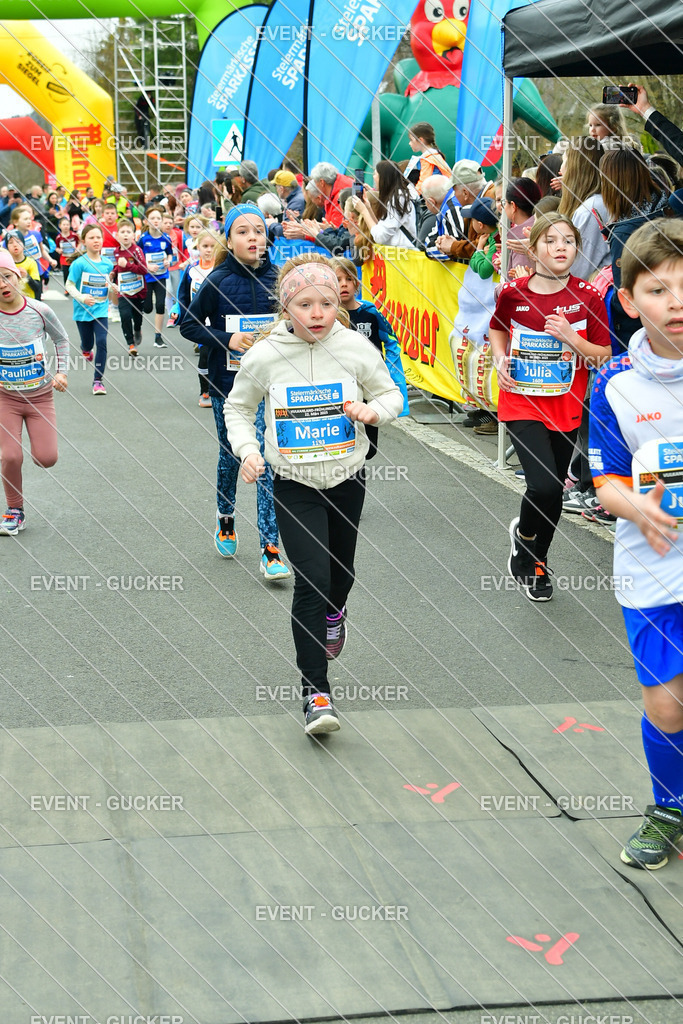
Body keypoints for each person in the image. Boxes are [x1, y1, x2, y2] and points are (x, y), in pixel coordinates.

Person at [224, 254, 404, 735]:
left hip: (346, 478)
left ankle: (335, 612)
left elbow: (391, 394)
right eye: (305, 304)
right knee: (312, 579)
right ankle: (316, 694)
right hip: (293, 482)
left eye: (326, 302)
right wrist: (247, 451)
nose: (318, 312)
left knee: (340, 576)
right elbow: (237, 408)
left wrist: (373, 412)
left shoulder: (353, 346)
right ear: (286, 307)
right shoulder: (265, 354)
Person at [588, 219, 683, 869]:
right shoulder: (615, 383)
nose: (675, 303)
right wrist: (640, 510)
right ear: (627, 301)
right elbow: (607, 484)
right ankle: (668, 808)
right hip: (652, 569)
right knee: (666, 703)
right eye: (658, 290)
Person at [489, 212, 611, 601]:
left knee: (553, 492)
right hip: (521, 400)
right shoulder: (513, 293)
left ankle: (535, 556)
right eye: (551, 240)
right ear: (533, 248)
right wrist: (499, 359)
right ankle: (527, 543)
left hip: (566, 403)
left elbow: (604, 355)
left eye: (569, 241)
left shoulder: (588, 296)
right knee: (541, 484)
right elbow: (497, 328)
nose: (561, 247)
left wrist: (571, 338)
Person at [179, 204, 290, 581]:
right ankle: (225, 517)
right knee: (231, 455)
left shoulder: (280, 278)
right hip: (227, 386)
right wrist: (227, 339)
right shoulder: (217, 280)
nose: (253, 237)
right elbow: (189, 326)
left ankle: (270, 548)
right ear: (228, 240)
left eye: (258, 230)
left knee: (266, 460)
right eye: (243, 232)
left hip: (270, 387)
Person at [0, 249, 68, 536]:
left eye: (6, 276)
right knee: (11, 456)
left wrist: (62, 372)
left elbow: (61, 338)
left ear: (19, 275)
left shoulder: (40, 310)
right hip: (5, 398)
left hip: (40, 397)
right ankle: (14, 510)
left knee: (46, 458)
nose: (2, 284)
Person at [331, 255, 409, 457]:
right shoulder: (328, 317)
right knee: (344, 442)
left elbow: (391, 342)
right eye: (338, 280)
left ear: (357, 284)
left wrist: (392, 375)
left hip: (368, 385)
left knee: (369, 448)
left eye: (349, 279)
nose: (344, 284)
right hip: (341, 385)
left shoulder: (371, 314)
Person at [66, 223, 113, 395]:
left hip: (101, 310)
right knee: (88, 343)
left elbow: (105, 284)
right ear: (83, 241)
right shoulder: (79, 264)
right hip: (83, 312)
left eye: (98, 237)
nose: (96, 240)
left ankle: (98, 381)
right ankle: (86, 349)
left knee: (101, 341)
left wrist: (113, 287)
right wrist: (82, 298)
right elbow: (69, 285)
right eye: (91, 237)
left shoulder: (107, 264)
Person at [174, 228, 218, 406]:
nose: (208, 250)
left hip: (219, 321)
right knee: (205, 355)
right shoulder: (192, 269)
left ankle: (222, 390)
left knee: (220, 356)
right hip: (200, 322)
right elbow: (183, 294)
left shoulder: (221, 268)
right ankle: (205, 391)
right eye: (205, 246)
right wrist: (179, 312)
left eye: (212, 246)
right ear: (197, 247)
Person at [556, 136, 609, 281]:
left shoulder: (590, 211)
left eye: (564, 161)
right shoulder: (595, 204)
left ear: (575, 168)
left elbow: (576, 270)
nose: (560, 170)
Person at [435, 160, 495, 262]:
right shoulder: (483, 200)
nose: (454, 195)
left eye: (454, 191)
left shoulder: (489, 202)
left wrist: (453, 246)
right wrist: (452, 244)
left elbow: (486, 245)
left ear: (465, 193)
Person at [354, 160, 418, 249]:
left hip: (404, 254)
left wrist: (364, 211)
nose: (373, 177)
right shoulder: (397, 196)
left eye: (375, 174)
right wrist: (368, 207)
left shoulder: (398, 198)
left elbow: (380, 237)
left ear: (383, 178)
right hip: (400, 252)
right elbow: (381, 228)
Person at [110, 218, 147, 356]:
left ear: (133, 235)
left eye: (128, 232)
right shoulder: (116, 251)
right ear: (117, 235)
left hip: (138, 290)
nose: (125, 235)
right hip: (124, 290)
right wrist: (114, 272)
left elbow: (143, 269)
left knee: (137, 317)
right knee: (125, 315)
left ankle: (137, 329)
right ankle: (131, 344)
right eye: (122, 232)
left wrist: (128, 265)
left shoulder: (136, 250)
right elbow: (118, 267)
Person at [138, 205, 173, 348]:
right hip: (147, 277)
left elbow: (170, 253)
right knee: (147, 308)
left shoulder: (166, 238)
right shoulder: (143, 239)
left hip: (161, 276)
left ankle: (158, 337)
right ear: (147, 221)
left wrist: (168, 261)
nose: (156, 221)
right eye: (152, 218)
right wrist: (147, 266)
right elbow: (137, 256)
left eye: (158, 218)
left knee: (159, 305)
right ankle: (137, 327)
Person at [403, 122, 451, 195]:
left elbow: (423, 181)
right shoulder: (435, 155)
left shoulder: (427, 158)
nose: (409, 143)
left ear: (420, 140)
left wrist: (412, 195)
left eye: (411, 140)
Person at [308, 162, 354, 228]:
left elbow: (336, 230)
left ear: (322, 182)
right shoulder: (339, 186)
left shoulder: (339, 197)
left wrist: (315, 230)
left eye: (315, 183)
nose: (316, 186)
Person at [4, 231, 41, 300]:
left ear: (23, 244)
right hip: (12, 302)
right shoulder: (5, 264)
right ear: (7, 247)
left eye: (18, 241)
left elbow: (38, 287)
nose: (15, 245)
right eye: (11, 243)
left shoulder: (31, 263)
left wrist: (27, 276)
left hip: (29, 301)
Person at [54, 215, 80, 293]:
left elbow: (80, 243)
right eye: (64, 225)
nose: (66, 226)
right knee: (66, 273)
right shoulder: (58, 237)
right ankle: (67, 288)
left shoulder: (74, 235)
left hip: (73, 257)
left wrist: (77, 249)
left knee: (74, 272)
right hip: (64, 258)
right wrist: (58, 250)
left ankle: (76, 287)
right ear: (60, 226)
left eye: (67, 225)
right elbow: (56, 247)